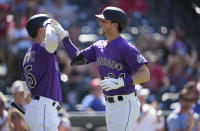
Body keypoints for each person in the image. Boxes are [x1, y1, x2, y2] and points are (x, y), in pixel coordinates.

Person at [51, 6, 150, 131]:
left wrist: (121, 82)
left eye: (104, 21)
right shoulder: (99, 45)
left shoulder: (126, 48)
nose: (100, 23)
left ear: (115, 25)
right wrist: (64, 37)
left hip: (125, 103)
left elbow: (145, 74)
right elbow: (77, 59)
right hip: (109, 104)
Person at [21, 14, 62, 131]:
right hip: (44, 109)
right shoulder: (42, 50)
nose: (52, 31)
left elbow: (27, 95)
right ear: (41, 30)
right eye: (49, 28)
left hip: (38, 108)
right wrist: (48, 24)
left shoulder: (27, 55)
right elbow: (53, 41)